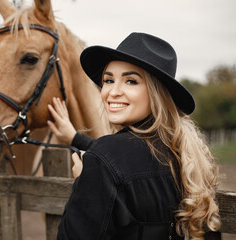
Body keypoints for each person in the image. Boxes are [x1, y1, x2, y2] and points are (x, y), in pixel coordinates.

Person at [48, 32, 221, 240]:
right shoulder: (188, 156)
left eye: (131, 81)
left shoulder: (103, 160)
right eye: (108, 80)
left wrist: (84, 183)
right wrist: (74, 138)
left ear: (157, 93)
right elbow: (128, 163)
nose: (113, 91)